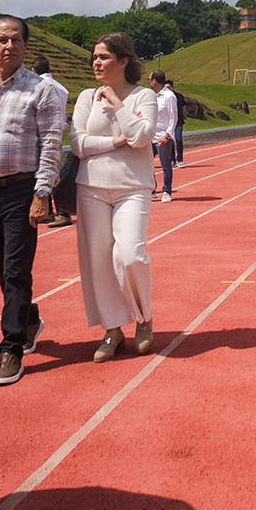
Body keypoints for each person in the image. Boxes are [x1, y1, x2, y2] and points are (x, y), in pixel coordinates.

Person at [0, 16, 63, 387]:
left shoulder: (40, 91)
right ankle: (30, 318)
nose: (10, 46)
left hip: (21, 191)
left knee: (16, 270)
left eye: (17, 40)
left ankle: (11, 347)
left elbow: (52, 144)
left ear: (25, 46)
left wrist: (42, 193)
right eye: (2, 40)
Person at [71, 32, 157, 362]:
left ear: (124, 61)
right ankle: (112, 328)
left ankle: (143, 317)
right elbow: (78, 144)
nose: (96, 62)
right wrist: (114, 142)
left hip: (132, 188)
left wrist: (118, 104)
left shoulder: (143, 97)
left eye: (104, 57)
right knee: (98, 263)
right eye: (94, 56)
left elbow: (141, 136)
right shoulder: (85, 98)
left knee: (129, 254)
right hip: (90, 188)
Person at [33, 55, 73, 227]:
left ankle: (56, 212)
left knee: (46, 172)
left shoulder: (36, 86)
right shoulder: (61, 88)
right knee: (53, 171)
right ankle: (55, 211)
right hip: (58, 131)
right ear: (49, 69)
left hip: (41, 133)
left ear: (33, 71)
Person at [149, 69, 178, 202]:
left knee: (166, 165)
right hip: (151, 136)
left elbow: (173, 117)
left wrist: (167, 135)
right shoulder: (152, 95)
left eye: (150, 79)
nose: (149, 81)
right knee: (147, 164)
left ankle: (167, 191)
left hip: (163, 136)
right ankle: (152, 190)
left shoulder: (169, 96)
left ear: (155, 81)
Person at [170, 79, 188, 167]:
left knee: (178, 139)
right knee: (170, 141)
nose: (168, 89)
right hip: (169, 123)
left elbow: (183, 106)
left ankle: (180, 159)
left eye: (169, 87)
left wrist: (182, 114)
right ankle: (172, 160)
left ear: (173, 87)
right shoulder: (164, 97)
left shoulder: (179, 96)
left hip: (178, 122)